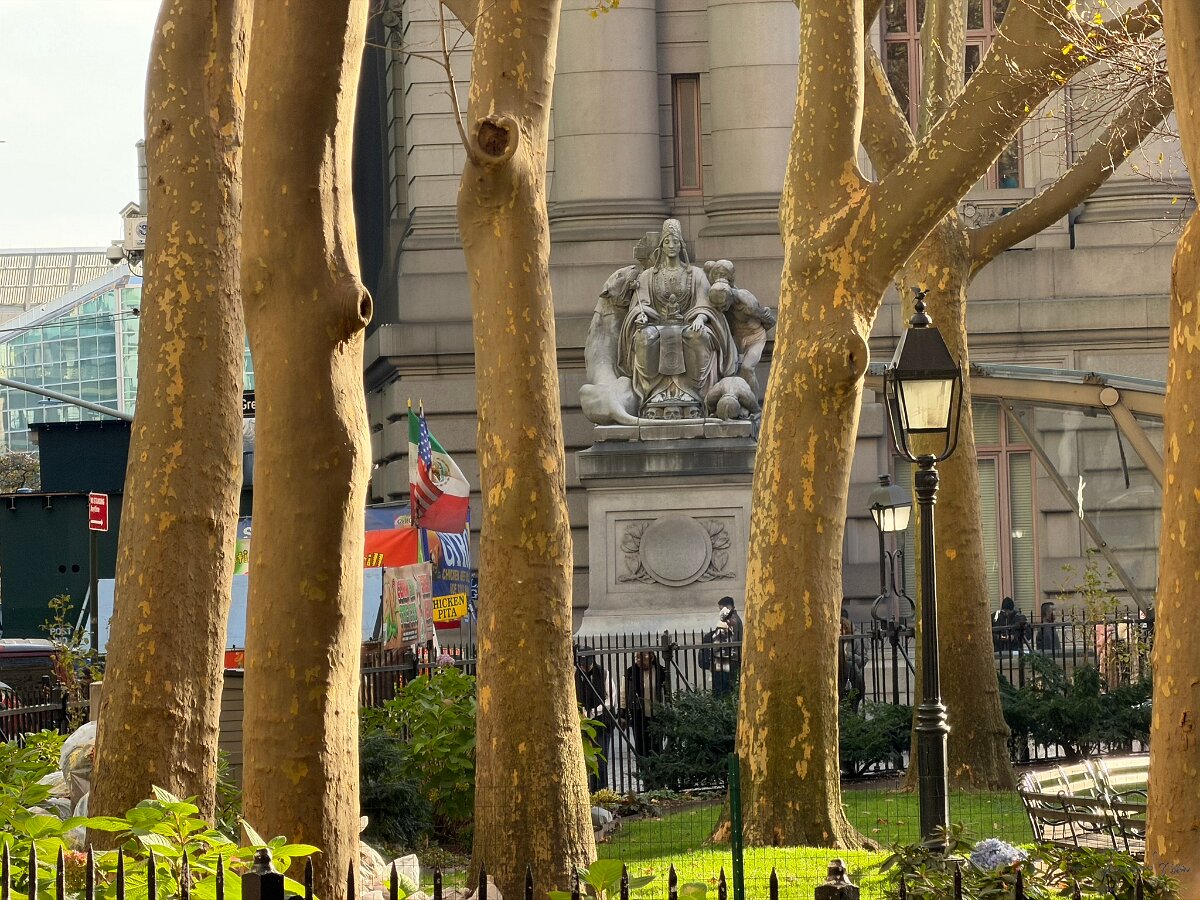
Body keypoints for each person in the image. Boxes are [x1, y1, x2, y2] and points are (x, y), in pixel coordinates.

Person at [618, 219, 739, 419]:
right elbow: (641, 304)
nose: (671, 246)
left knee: (698, 336)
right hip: (656, 326)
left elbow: (705, 303)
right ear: (661, 245)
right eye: (667, 242)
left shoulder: (696, 274)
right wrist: (641, 316)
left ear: (681, 244)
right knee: (644, 337)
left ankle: (693, 393)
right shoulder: (648, 276)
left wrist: (700, 317)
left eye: (675, 241)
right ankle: (653, 394)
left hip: (689, 325)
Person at [704, 259, 777, 397]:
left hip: (754, 337)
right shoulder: (720, 294)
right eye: (718, 306)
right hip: (734, 339)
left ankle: (753, 403)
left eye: (723, 305)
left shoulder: (747, 303)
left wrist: (759, 324)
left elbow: (770, 322)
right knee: (728, 371)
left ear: (730, 297)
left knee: (747, 368)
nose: (721, 309)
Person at [575, 646, 616, 791]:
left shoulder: (603, 673)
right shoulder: (575, 674)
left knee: (601, 757)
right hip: (582, 722)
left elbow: (611, 699)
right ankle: (590, 789)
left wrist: (594, 711)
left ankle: (601, 789)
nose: (584, 667)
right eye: (582, 664)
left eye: (587, 664)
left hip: (602, 722)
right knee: (586, 759)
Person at [623, 650, 668, 759]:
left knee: (656, 747)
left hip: (657, 715)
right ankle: (642, 767)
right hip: (638, 715)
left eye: (642, 657)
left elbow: (667, 692)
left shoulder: (661, 671)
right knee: (641, 747)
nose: (638, 660)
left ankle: (656, 767)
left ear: (651, 658)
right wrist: (623, 713)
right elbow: (623, 693)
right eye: (637, 658)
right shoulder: (631, 672)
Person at [711, 596, 743, 699]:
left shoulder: (730, 620)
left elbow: (721, 640)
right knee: (728, 687)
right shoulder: (736, 619)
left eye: (721, 609)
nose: (720, 612)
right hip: (732, 658)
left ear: (727, 607)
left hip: (726, 659)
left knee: (723, 689)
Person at [838, 608, 867, 710]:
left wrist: (847, 655)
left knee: (851, 705)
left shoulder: (855, 639)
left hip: (852, 677)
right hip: (839, 678)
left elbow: (863, 659)